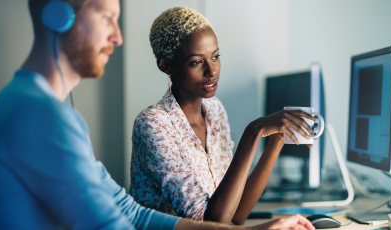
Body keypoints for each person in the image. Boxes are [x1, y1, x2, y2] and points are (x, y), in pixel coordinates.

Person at [0, 0, 313, 229]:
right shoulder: (37, 117)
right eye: (106, 17)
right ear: (59, 15)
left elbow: (130, 213)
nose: (117, 37)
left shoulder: (44, 110)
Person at [129, 7, 315, 225]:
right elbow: (211, 223)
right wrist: (253, 133)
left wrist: (277, 141)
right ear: (165, 65)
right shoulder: (153, 125)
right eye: (197, 62)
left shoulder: (214, 110)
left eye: (215, 57)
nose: (212, 70)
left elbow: (237, 214)